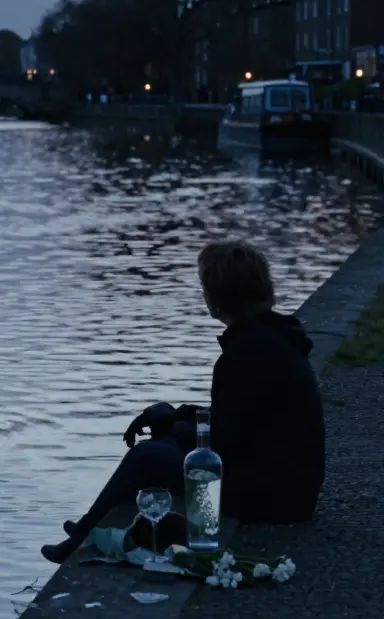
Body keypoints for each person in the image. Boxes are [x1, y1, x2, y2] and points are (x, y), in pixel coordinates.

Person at [41, 240, 325, 564]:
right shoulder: (271, 337)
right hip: (289, 483)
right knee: (164, 443)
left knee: (147, 456)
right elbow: (239, 417)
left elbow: (221, 442)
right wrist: (175, 419)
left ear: (220, 297)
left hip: (275, 496)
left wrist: (174, 427)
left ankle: (82, 536)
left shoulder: (247, 353)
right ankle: (89, 526)